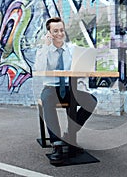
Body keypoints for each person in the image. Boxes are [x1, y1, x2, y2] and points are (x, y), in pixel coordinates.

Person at [34, 17, 97, 160]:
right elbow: (39, 69)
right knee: (47, 101)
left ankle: (70, 134)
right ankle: (56, 143)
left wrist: (87, 70)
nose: (59, 33)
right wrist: (46, 46)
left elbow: (81, 68)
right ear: (49, 33)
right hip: (51, 88)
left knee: (91, 101)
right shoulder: (43, 51)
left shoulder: (72, 49)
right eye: (55, 31)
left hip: (70, 88)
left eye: (61, 30)